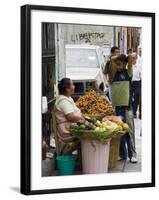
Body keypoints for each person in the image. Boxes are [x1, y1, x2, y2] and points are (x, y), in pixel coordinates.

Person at [112, 54, 137, 163]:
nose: (118, 66)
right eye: (116, 64)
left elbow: (131, 57)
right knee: (120, 132)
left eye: (120, 64)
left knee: (129, 131)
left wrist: (127, 59)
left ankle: (133, 154)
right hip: (117, 108)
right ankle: (123, 154)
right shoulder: (114, 73)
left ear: (125, 64)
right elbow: (112, 59)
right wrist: (118, 60)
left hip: (127, 107)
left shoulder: (128, 72)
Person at [54, 78, 83, 155]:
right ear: (67, 89)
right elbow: (70, 117)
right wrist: (83, 119)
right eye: (72, 84)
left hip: (71, 127)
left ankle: (83, 159)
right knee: (89, 136)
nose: (74, 86)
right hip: (67, 131)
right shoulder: (63, 101)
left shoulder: (67, 98)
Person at [131, 53, 142, 118]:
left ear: (136, 58)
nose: (132, 59)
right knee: (130, 97)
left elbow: (141, 76)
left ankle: (134, 112)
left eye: (134, 58)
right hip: (130, 83)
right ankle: (131, 111)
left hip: (137, 83)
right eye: (132, 58)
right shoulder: (128, 66)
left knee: (136, 97)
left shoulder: (139, 66)